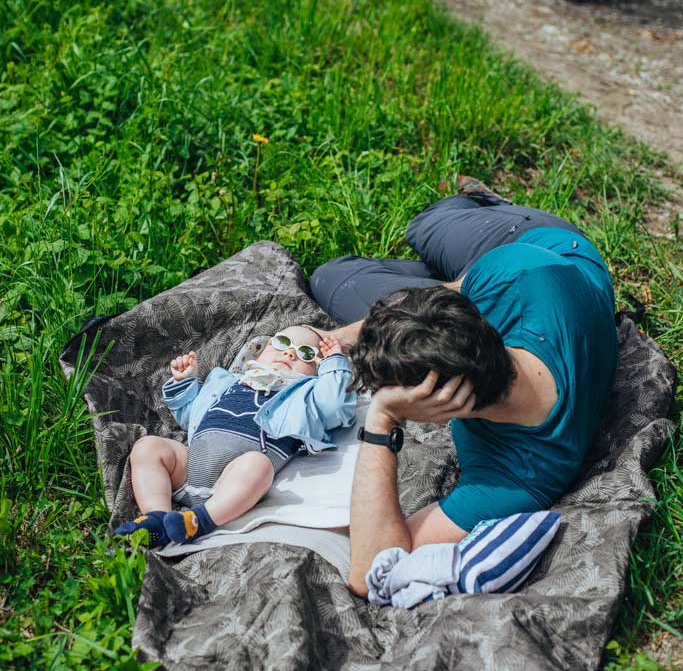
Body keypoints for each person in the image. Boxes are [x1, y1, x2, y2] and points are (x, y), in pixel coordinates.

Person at [310, 180, 618, 596]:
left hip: (532, 262)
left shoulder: (515, 478)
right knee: (423, 229)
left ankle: (465, 219)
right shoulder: (513, 278)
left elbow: (368, 573)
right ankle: (480, 208)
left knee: (337, 277)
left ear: (440, 404)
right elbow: (455, 292)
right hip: (540, 245)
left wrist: (381, 422)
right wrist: (343, 337)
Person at [114, 325, 356, 549]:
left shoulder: (306, 395)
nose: (290, 355)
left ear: (317, 372)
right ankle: (158, 517)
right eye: (282, 343)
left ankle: (198, 522)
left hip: (231, 485)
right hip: (190, 471)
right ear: (259, 352)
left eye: (305, 354)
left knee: (258, 465)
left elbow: (333, 405)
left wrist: (335, 363)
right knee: (148, 447)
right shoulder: (225, 381)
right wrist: (185, 382)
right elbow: (190, 416)